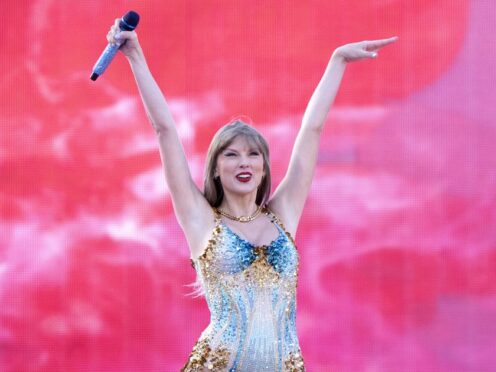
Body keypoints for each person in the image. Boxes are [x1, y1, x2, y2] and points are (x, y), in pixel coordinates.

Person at [106, 18, 397, 372]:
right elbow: (164, 129)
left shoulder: (283, 212)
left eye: (253, 154)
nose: (244, 162)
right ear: (216, 168)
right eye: (231, 154)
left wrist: (337, 61)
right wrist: (135, 56)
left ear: (263, 166)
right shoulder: (201, 220)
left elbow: (313, 129)